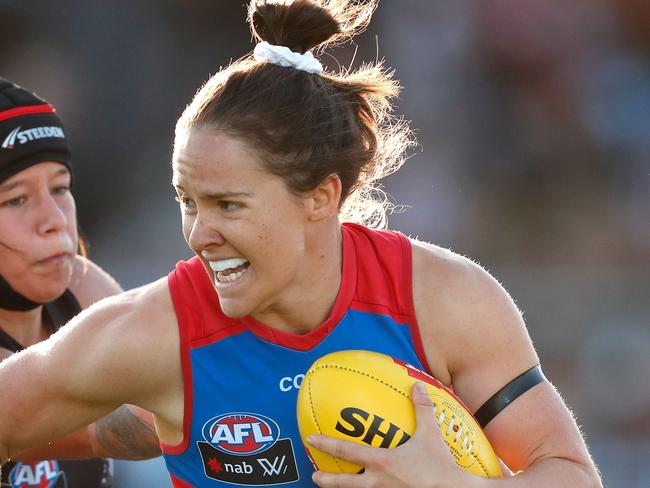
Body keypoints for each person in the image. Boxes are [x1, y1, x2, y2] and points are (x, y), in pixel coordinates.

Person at [0, 1, 603, 487]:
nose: (198, 235)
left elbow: (572, 474)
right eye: (188, 201)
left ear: (320, 196)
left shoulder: (444, 302)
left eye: (228, 205)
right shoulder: (157, 335)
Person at [0, 78, 160, 487]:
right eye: (15, 199)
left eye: (60, 187)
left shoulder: (81, 289)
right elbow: (116, 427)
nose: (54, 219)